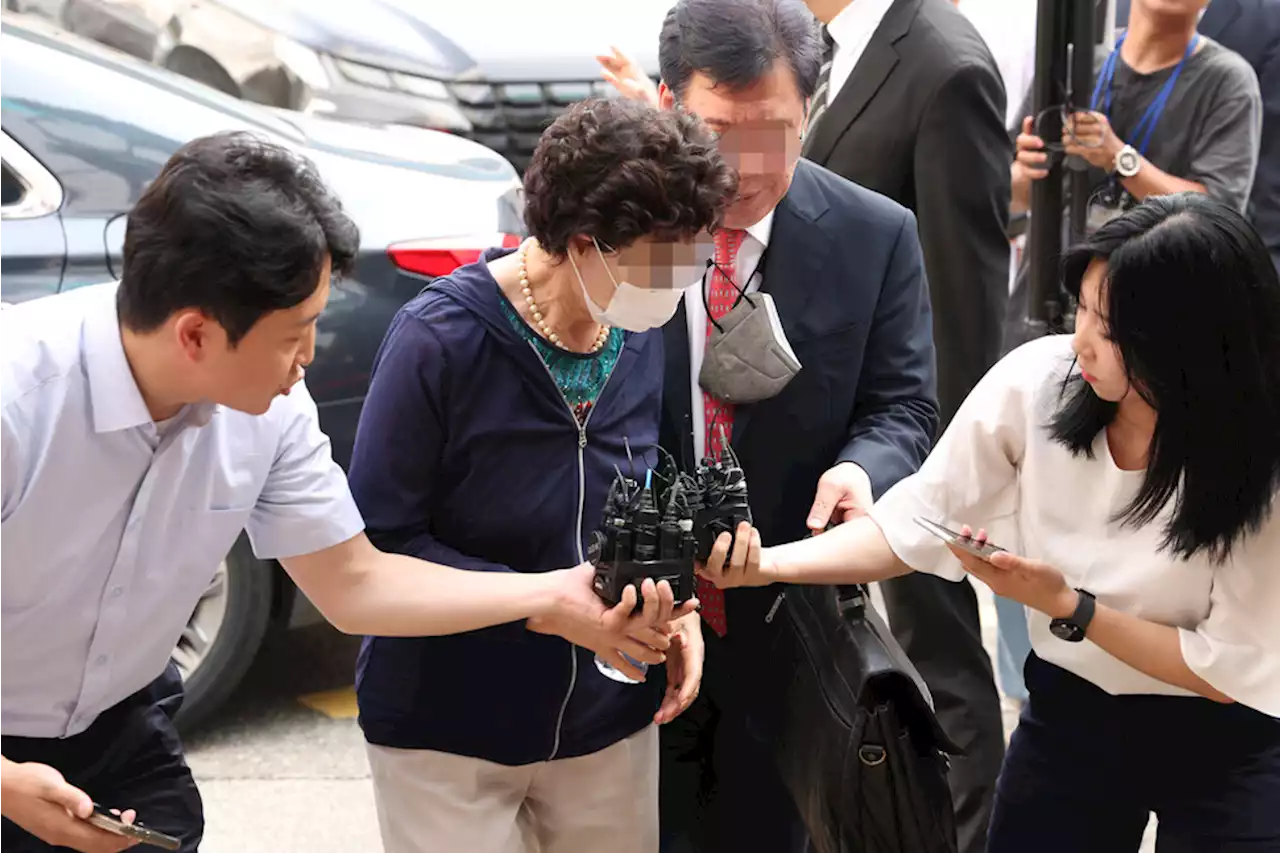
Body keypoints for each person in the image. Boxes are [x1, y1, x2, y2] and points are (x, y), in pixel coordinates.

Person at [0, 131, 685, 853]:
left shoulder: (271, 412)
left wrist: (549, 597)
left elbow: (355, 582)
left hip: (117, 726)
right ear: (196, 334)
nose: (309, 358)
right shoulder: (19, 397)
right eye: (296, 333)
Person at [704, 192, 1280, 852]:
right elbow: (916, 520)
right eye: (1083, 309)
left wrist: (1069, 606)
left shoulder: (1259, 458)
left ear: (1189, 346)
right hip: (1076, 710)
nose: (1082, 342)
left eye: (1112, 329)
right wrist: (768, 564)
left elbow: (1226, 673)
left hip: (1227, 737)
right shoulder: (1041, 381)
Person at [345, 96, 737, 853]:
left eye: (692, 254)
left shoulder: (637, 332)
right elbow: (380, 547)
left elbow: (649, 479)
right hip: (448, 732)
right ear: (582, 243)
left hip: (606, 721)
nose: (676, 281)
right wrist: (546, 606)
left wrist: (674, 601)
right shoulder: (442, 340)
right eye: (660, 259)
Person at [605, 3, 939, 852]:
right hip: (627, 611)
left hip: (785, 625)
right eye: (719, 130)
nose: (747, 166)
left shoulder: (875, 235)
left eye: (776, 131)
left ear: (811, 112)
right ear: (668, 105)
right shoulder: (611, 226)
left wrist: (865, 469)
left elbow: (903, 405)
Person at [1007, 0, 1262, 347]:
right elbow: (1008, 197)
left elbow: (1217, 216)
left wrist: (1121, 159)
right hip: (1042, 306)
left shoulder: (1227, 81)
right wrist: (1026, 173)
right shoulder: (1074, 63)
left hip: (1149, 326)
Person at [1117, 0, 1280, 271]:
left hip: (1197, 259)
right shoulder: (1116, 14)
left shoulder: (1266, 21)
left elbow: (1270, 168)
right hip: (1074, 258)